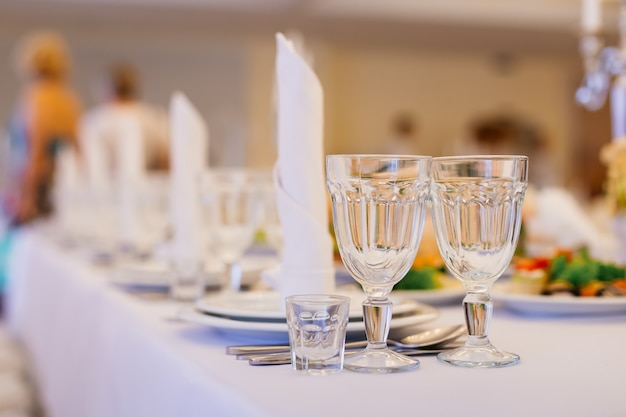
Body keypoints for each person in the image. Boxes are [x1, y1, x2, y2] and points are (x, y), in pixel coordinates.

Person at [2, 31, 82, 225]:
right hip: (58, 187)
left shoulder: (37, 97)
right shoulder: (68, 99)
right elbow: (75, 149)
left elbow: (36, 151)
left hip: (37, 191)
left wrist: (27, 200)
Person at [80, 62, 169, 178]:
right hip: (143, 186)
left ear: (107, 89)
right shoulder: (153, 117)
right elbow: (166, 158)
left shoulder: (94, 120)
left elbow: (85, 162)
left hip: (103, 188)